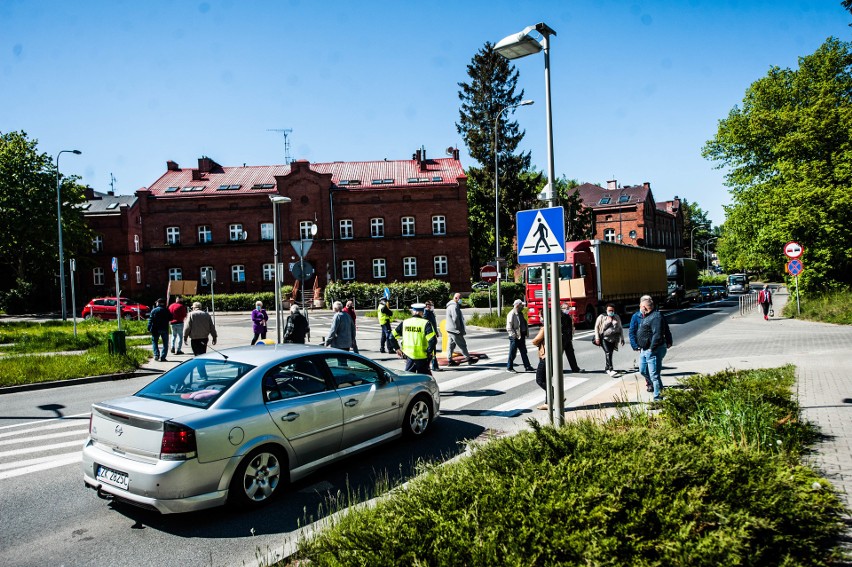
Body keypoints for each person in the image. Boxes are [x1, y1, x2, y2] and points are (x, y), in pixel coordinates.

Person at [636, 297, 672, 402]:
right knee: (643, 370)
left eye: (640, 306)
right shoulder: (647, 316)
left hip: (653, 349)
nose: (639, 308)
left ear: (643, 307)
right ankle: (660, 389)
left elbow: (658, 334)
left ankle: (658, 398)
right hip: (644, 349)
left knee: (654, 375)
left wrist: (652, 348)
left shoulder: (656, 317)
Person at [393, 303, 437, 375]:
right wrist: (429, 353)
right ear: (422, 312)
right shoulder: (426, 323)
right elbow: (433, 340)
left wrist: (397, 349)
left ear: (413, 311)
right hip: (423, 357)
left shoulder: (405, 322)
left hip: (409, 356)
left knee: (409, 379)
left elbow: (391, 336)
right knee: (425, 379)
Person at [445, 292, 478, 366]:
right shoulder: (454, 306)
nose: (461, 300)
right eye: (460, 298)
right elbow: (455, 318)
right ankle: (468, 358)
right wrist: (458, 329)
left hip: (450, 329)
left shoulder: (450, 305)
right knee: (462, 344)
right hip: (455, 330)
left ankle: (450, 360)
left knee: (451, 345)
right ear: (456, 298)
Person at [628, 295, 653, 391]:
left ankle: (653, 383)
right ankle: (650, 382)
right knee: (644, 368)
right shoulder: (636, 316)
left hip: (653, 345)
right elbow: (632, 331)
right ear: (641, 305)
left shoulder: (654, 315)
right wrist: (634, 345)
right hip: (642, 346)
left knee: (652, 366)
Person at [593, 304, 624, 376]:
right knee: (608, 352)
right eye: (609, 310)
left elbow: (620, 328)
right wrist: (597, 338)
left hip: (613, 339)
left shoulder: (616, 317)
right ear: (606, 310)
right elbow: (597, 328)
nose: (611, 312)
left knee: (610, 353)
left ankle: (606, 368)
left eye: (612, 310)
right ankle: (611, 369)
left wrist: (622, 338)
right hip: (604, 338)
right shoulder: (602, 317)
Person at [506, 299, 534, 373]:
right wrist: (514, 335)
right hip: (515, 337)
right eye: (522, 305)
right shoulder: (512, 314)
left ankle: (527, 366)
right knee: (512, 353)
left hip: (521, 336)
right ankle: (509, 367)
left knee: (524, 352)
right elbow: (509, 327)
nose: (523, 307)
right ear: (517, 305)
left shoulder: (520, 313)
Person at [560, 303, 582, 373]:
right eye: (565, 308)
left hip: (568, 338)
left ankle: (575, 368)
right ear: (561, 309)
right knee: (559, 354)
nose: (567, 309)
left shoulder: (568, 316)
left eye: (568, 308)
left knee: (570, 353)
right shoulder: (560, 316)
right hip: (562, 338)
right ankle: (557, 369)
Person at [531, 325, 549, 410]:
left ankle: (557, 395)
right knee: (546, 380)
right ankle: (547, 403)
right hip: (553, 356)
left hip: (545, 356)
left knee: (540, 380)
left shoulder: (545, 328)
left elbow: (536, 340)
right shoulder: (557, 326)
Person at [423, 300, 442, 372]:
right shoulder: (426, 313)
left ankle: (433, 365)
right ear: (427, 305)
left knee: (432, 351)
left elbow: (434, 323)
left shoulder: (430, 312)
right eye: (431, 305)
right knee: (432, 351)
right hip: (429, 334)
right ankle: (434, 366)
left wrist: (436, 332)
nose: (432, 306)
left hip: (433, 333)